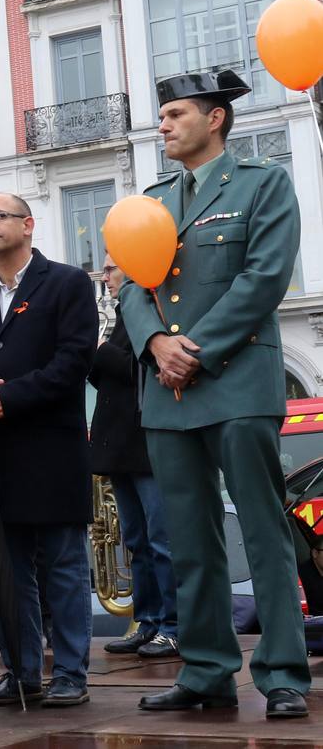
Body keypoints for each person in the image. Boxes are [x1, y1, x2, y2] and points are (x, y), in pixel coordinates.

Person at [121, 70, 309, 719]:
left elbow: (263, 277)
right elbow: (129, 287)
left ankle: (282, 673)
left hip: (235, 381)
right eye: (161, 115)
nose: (163, 125)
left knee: (261, 533)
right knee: (188, 539)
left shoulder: (263, 184)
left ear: (214, 119)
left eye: (174, 114)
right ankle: (204, 670)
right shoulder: (151, 202)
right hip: (168, 394)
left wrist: (190, 350)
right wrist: (153, 344)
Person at [0, 193, 97, 708]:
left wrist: (8, 394)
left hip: (52, 450)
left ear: (28, 225)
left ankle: (71, 672)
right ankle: (21, 672)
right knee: (8, 570)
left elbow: (74, 360)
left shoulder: (68, 283)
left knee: (64, 569)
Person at [91, 253, 178, 660]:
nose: (104, 276)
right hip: (120, 443)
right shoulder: (122, 313)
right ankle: (148, 621)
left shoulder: (149, 306)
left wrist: (98, 349)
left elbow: (138, 366)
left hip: (144, 442)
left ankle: (173, 626)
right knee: (137, 540)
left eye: (111, 268)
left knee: (161, 540)